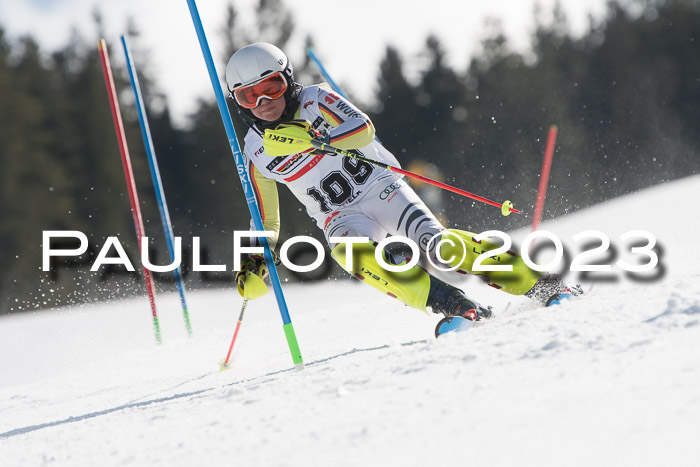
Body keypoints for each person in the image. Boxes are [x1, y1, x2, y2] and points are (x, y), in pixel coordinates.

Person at [227, 42, 576, 321]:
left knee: (440, 247)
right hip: (340, 217)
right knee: (353, 256)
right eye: (248, 95)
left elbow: (364, 129)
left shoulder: (317, 99)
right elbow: (266, 219)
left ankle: (542, 285)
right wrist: (258, 254)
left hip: (381, 187)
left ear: (288, 80)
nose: (264, 102)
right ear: (238, 102)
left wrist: (314, 138)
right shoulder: (256, 153)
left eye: (272, 86)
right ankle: (454, 306)